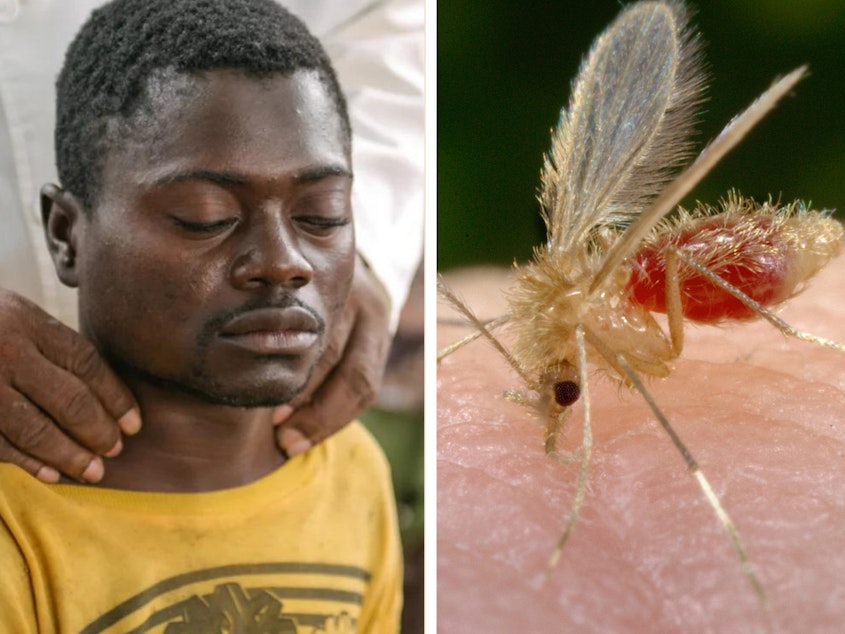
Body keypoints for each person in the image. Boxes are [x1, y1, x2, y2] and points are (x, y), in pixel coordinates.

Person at [0, 0, 401, 630]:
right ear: (65, 234)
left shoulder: (355, 476)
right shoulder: (17, 540)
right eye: (204, 218)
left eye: (321, 213)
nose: (283, 262)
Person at [437, 264, 845, 632]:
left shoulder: (588, 328)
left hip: (750, 262)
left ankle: (791, 333)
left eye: (565, 392)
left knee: (670, 271)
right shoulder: (573, 325)